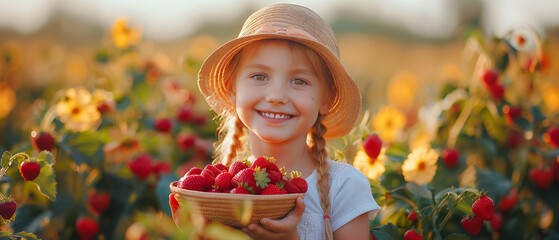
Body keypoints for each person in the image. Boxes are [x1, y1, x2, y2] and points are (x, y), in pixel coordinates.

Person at [171, 3, 380, 239]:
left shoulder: (344, 187)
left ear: (326, 98)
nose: (276, 96)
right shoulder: (222, 190)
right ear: (232, 88)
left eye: (299, 81)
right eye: (259, 76)